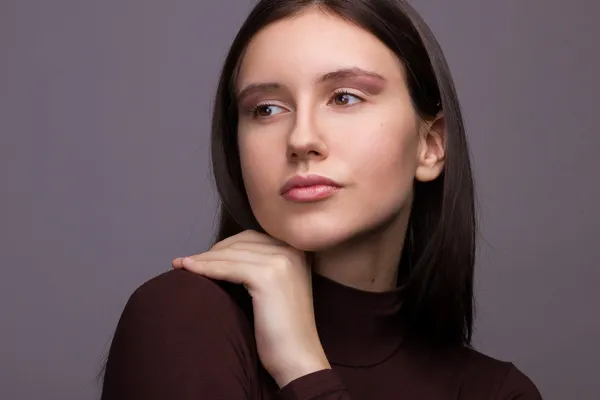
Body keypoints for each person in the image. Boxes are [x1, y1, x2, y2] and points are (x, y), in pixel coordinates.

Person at [100, 0, 542, 399]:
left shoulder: (497, 393)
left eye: (345, 97)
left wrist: (302, 368)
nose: (302, 139)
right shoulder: (185, 320)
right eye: (267, 109)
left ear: (430, 146)